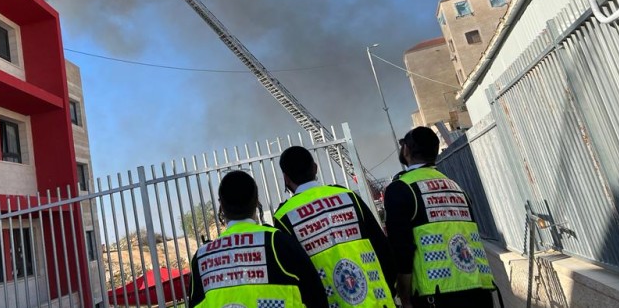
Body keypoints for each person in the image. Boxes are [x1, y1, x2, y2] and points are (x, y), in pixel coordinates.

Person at [384, 126, 496, 308]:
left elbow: (401, 249)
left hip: (436, 296)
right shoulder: (455, 187)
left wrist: (404, 296)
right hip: (479, 290)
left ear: (406, 150)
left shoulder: (401, 188)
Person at [273, 146, 396, 308]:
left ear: (286, 178)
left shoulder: (284, 217)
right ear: (315, 167)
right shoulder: (347, 196)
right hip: (377, 301)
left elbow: (296, 277)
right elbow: (382, 246)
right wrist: (389, 290)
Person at [188, 170, 328, 308]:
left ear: (221, 205)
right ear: (256, 201)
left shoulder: (201, 258)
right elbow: (317, 297)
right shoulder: (278, 242)